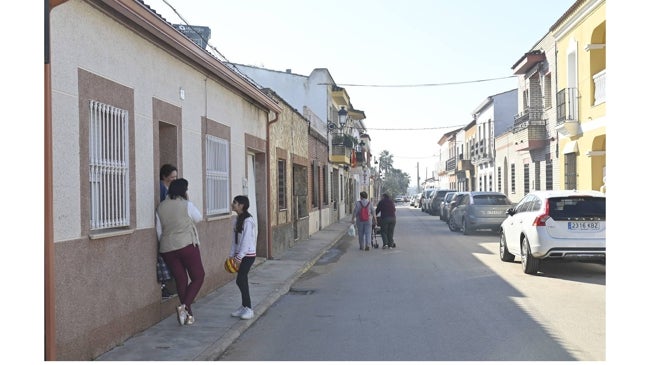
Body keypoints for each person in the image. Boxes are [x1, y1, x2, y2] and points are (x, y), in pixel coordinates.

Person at [156, 178, 204, 326]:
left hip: (167, 248)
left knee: (181, 279)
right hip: (186, 245)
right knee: (198, 276)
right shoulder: (186, 205)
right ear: (184, 191)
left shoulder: (161, 207)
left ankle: (187, 316)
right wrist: (188, 202)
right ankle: (184, 307)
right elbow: (199, 218)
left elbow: (159, 232)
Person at [229, 195, 258, 320]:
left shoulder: (248, 220)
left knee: (241, 279)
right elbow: (235, 240)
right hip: (240, 255)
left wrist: (239, 257)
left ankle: (249, 308)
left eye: (235, 203)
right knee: (241, 280)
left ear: (241, 205)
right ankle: (244, 306)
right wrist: (231, 255)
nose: (232, 204)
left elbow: (246, 241)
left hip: (248, 255)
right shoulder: (237, 219)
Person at [158, 164, 178, 299]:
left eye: (175, 177)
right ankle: (164, 287)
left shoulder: (170, 188)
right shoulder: (160, 188)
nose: (174, 179)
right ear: (164, 176)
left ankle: (168, 287)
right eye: (172, 177)